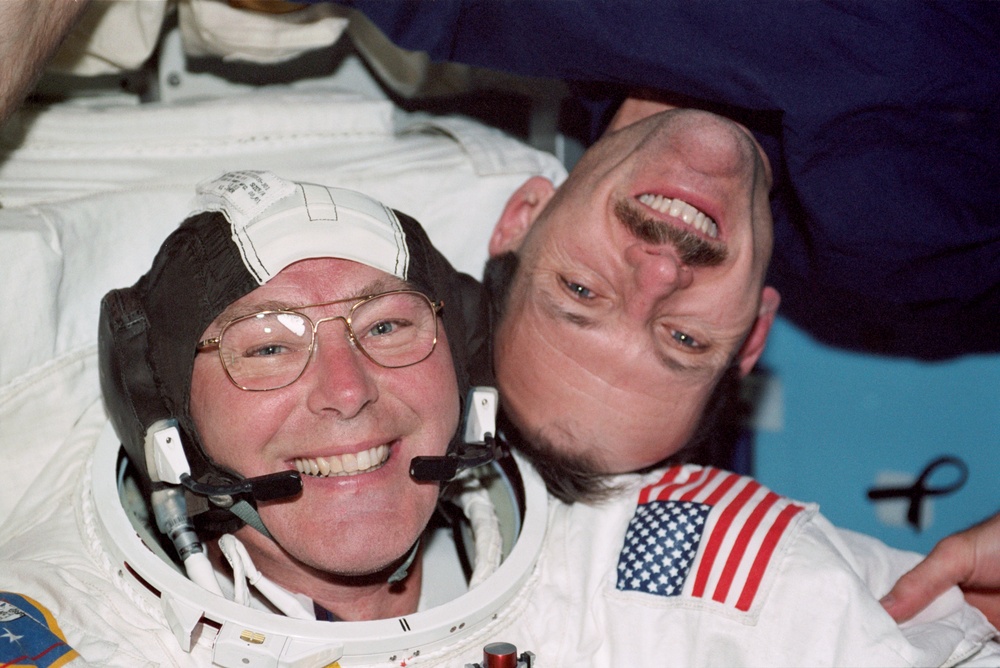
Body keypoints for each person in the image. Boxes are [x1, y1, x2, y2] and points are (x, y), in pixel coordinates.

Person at [1, 169, 997, 667]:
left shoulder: (676, 572)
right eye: (268, 343)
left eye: (390, 325)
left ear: (463, 357)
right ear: (163, 414)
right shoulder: (82, 627)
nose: (346, 389)